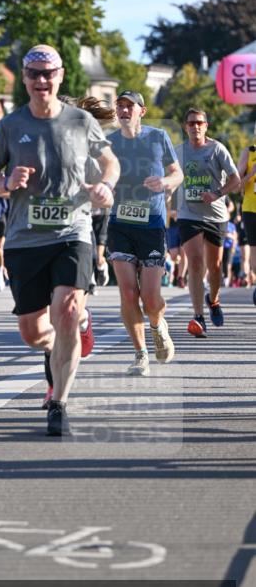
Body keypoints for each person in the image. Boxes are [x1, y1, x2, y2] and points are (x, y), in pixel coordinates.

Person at [0, 45, 120, 436]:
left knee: (68, 310)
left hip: (73, 232)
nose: (42, 81)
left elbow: (110, 161)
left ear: (60, 76)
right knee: (32, 331)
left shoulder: (80, 121)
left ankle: (58, 401)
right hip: (25, 238)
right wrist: (6, 183)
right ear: (24, 79)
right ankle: (55, 348)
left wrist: (106, 186)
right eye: (34, 74)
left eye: (49, 73)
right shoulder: (10, 125)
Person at [106, 91, 182, 376]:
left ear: (142, 111)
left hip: (151, 224)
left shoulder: (158, 137)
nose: (124, 110)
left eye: (129, 106)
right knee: (127, 292)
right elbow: (98, 172)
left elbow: (178, 174)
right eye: (120, 106)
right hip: (120, 223)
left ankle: (157, 325)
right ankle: (140, 354)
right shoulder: (109, 142)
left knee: (151, 299)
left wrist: (164, 181)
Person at [174, 108, 241, 335]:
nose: (195, 127)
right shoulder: (178, 152)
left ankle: (213, 300)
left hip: (215, 214)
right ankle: (198, 317)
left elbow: (236, 180)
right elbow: (171, 177)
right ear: (185, 127)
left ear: (206, 126)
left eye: (199, 123)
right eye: (191, 123)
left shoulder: (217, 149)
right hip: (188, 214)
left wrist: (217, 193)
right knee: (194, 262)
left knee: (215, 268)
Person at [237, 133, 256, 304]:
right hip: (252, 209)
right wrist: (251, 173)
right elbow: (237, 185)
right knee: (254, 249)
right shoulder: (248, 153)